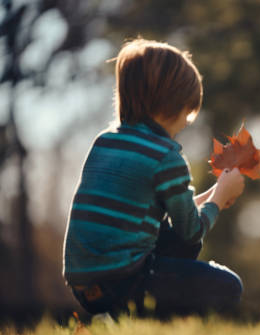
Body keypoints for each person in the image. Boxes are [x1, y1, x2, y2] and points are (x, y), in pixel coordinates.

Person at [63, 38, 245, 320]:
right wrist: (219, 200)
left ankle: (117, 316)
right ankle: (145, 314)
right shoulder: (165, 155)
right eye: (188, 111)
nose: (188, 121)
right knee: (229, 286)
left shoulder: (106, 142)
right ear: (174, 103)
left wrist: (214, 193)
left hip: (86, 285)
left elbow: (154, 209)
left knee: (175, 239)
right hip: (126, 282)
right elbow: (191, 232)